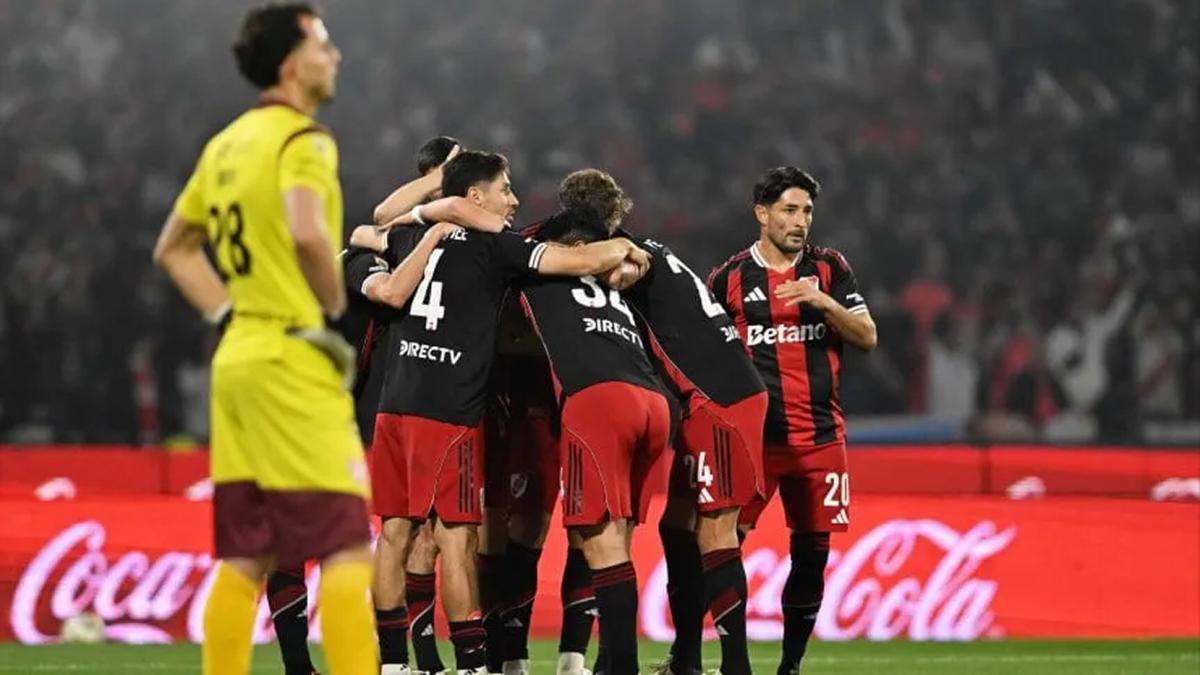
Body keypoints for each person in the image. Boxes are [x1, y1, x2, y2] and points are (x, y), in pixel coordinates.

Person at [152, 5, 376, 674]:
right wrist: (334, 313)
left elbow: (174, 248)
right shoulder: (303, 141)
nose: (334, 56)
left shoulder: (225, 145)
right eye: (322, 44)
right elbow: (307, 232)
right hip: (292, 356)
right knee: (345, 545)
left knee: (248, 554)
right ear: (290, 64)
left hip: (239, 358)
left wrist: (227, 315)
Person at [370, 150, 649, 674]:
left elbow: (376, 223)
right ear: (477, 196)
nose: (514, 200)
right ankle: (474, 664)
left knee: (394, 533)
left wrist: (433, 205)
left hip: (396, 401)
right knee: (457, 539)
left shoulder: (411, 235)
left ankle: (392, 664)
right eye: (505, 189)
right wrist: (628, 248)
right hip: (452, 407)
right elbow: (579, 262)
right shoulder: (499, 247)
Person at [707, 167, 877, 674]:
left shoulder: (829, 268)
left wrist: (822, 301)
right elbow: (705, 355)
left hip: (820, 438)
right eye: (789, 210)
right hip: (754, 441)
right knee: (722, 546)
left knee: (811, 556)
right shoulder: (728, 278)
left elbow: (866, 336)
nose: (800, 221)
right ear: (762, 214)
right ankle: (721, 660)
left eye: (807, 211)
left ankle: (790, 666)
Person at [518, 207, 669, 674]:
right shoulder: (613, 284)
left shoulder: (541, 270)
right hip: (654, 403)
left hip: (599, 400)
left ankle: (620, 667)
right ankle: (605, 663)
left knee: (599, 545)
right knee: (618, 542)